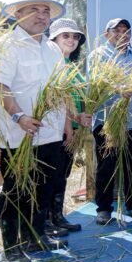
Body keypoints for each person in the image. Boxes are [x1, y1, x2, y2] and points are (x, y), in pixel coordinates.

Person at [0, 0, 69, 262]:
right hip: (18, 136)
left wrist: (69, 121)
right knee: (15, 191)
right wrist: (19, 116)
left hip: (50, 134)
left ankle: (35, 237)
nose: (41, 15)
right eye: (34, 9)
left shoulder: (52, 48)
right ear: (18, 14)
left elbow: (61, 90)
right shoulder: (6, 46)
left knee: (43, 188)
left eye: (45, 10)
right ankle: (12, 245)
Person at [90, 18, 132, 225]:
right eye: (117, 30)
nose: (122, 34)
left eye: (126, 31)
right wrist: (117, 89)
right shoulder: (98, 56)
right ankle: (104, 208)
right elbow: (95, 84)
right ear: (107, 34)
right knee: (107, 166)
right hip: (107, 122)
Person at [48, 18, 92, 232]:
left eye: (75, 37)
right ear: (53, 38)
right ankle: (47, 222)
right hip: (55, 130)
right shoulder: (52, 64)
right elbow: (57, 101)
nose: (71, 40)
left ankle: (57, 217)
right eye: (65, 35)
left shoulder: (71, 66)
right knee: (51, 176)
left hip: (70, 130)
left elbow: (74, 99)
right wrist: (74, 120)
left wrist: (81, 117)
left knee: (62, 175)